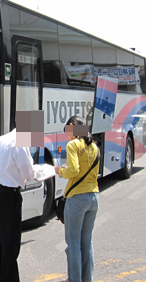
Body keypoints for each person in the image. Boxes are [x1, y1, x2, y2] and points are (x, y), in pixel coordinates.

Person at [54, 115, 100, 282]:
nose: (67, 134)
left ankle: (74, 279)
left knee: (73, 242)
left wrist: (58, 170)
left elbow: (72, 171)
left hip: (77, 198)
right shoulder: (94, 147)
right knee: (86, 242)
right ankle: (87, 278)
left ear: (72, 126)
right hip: (94, 197)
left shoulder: (72, 145)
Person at [0, 128, 35, 282]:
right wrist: (37, 172)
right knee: (10, 241)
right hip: (8, 194)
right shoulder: (20, 143)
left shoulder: (0, 139)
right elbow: (28, 172)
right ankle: (9, 279)